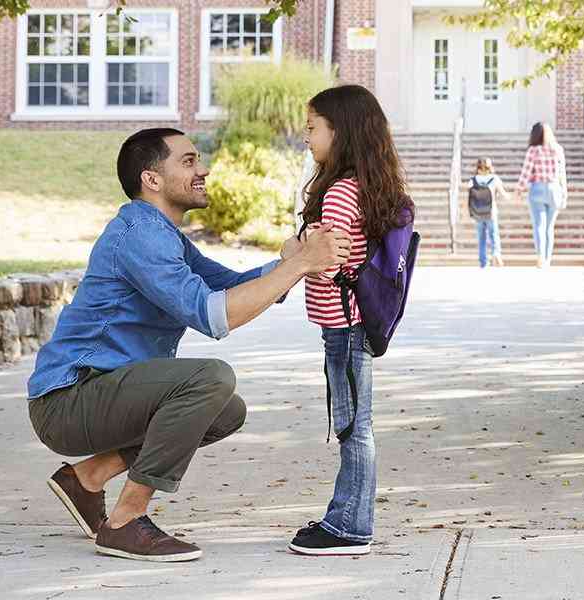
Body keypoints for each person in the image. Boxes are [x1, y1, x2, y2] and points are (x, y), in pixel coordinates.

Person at [26, 128, 351, 562]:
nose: (203, 170)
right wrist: (301, 265)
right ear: (152, 179)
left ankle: (87, 478)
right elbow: (214, 315)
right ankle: (125, 520)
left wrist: (291, 263)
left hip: (103, 393)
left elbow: (228, 287)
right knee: (210, 378)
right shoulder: (140, 234)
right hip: (69, 398)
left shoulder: (165, 235)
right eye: (188, 161)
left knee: (224, 409)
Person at [288, 85, 413, 556]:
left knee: (353, 426)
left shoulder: (340, 193)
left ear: (341, 132)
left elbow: (329, 262)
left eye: (313, 128)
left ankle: (351, 526)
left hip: (344, 325)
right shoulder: (364, 184)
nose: (307, 138)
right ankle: (344, 514)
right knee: (353, 423)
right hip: (351, 322)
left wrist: (292, 252)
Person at [517, 122, 568, 268]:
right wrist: (565, 194)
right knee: (549, 227)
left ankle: (540, 257)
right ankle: (548, 259)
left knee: (539, 225)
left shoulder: (533, 151)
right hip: (554, 188)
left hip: (537, 188)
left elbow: (526, 173)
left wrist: (519, 189)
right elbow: (562, 174)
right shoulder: (558, 150)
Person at [468, 157, 510, 268]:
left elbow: (468, 197)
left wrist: (465, 210)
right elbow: (503, 194)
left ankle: (483, 261)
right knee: (494, 235)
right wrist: (513, 197)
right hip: (491, 212)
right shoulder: (494, 179)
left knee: (481, 238)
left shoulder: (473, 180)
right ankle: (496, 254)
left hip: (477, 213)